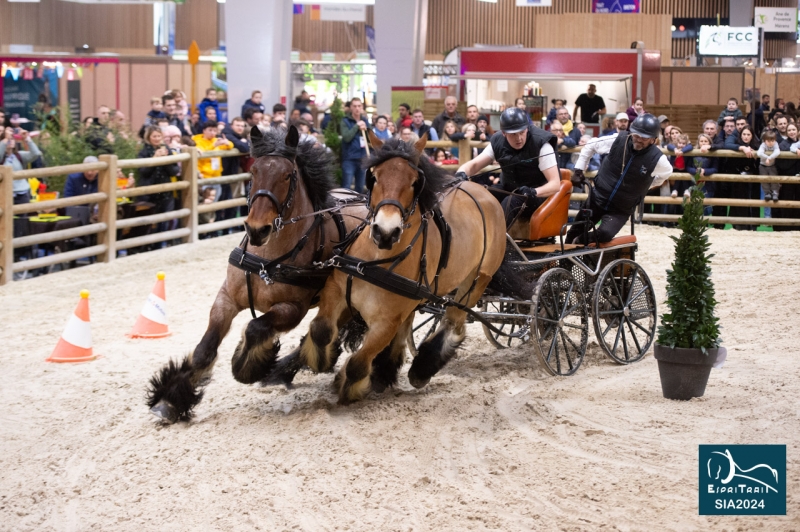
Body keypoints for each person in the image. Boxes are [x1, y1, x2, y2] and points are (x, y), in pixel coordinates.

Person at [566, 114, 672, 244]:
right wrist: (578, 170)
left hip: (621, 209)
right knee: (575, 230)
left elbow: (665, 174)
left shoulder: (659, 160)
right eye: (636, 135)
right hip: (597, 197)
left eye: (643, 138)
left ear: (653, 140)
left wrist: (644, 186)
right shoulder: (619, 139)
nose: (638, 139)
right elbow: (591, 145)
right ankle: (566, 260)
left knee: (605, 234)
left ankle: (579, 242)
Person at [455, 107, 561, 227]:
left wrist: (533, 191)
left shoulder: (541, 144)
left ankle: (498, 243)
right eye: (513, 134)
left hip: (537, 194)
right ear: (504, 133)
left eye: (522, 132)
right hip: (510, 188)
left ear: (527, 128)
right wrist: (461, 172)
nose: (519, 138)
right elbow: (474, 165)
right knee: (482, 196)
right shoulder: (497, 140)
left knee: (510, 202)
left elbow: (555, 184)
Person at [137, 126, 180, 236]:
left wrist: (166, 160)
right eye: (154, 136)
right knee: (151, 220)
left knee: (166, 218)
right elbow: (143, 171)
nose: (156, 138)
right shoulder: (144, 152)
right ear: (148, 137)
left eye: (158, 136)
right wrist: (155, 159)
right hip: (150, 192)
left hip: (166, 190)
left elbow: (174, 170)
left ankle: (163, 242)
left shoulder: (167, 149)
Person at [725, 126, 760, 229]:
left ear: (752, 136)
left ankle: (753, 225)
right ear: (740, 135)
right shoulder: (735, 146)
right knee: (738, 199)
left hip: (753, 178)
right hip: (739, 178)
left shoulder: (757, 146)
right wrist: (742, 148)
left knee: (753, 199)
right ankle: (738, 224)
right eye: (744, 134)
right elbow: (727, 148)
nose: (746, 137)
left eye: (748, 134)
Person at [192, 120, 234, 199]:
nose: (212, 133)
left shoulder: (216, 140)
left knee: (216, 199)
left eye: (215, 130)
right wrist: (213, 145)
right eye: (210, 130)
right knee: (205, 200)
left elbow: (230, 146)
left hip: (216, 175)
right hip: (204, 177)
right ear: (204, 130)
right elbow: (202, 152)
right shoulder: (197, 141)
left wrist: (227, 143)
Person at [2, 128, 42, 204]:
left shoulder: (19, 155)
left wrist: (27, 138)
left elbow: (36, 154)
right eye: (7, 139)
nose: (10, 141)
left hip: (22, 193)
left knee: (23, 215)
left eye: (12, 139)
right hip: (5, 194)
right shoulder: (1, 157)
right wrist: (5, 140)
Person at [340, 97, 371, 192]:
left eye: (359, 106)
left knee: (360, 187)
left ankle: (357, 207)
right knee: (347, 186)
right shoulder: (345, 121)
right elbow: (346, 137)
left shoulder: (365, 120)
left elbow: (370, 139)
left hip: (362, 159)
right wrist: (356, 126)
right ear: (351, 108)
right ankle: (344, 206)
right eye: (354, 106)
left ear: (362, 107)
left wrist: (366, 129)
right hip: (349, 159)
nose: (357, 108)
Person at [757, 130, 781, 202]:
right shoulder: (763, 145)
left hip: (772, 165)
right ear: (764, 141)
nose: (771, 143)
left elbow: (777, 152)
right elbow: (759, 153)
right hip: (763, 165)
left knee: (774, 179)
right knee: (764, 180)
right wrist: (767, 157)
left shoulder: (775, 144)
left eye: (772, 141)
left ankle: (775, 193)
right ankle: (767, 193)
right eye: (768, 141)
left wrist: (770, 158)